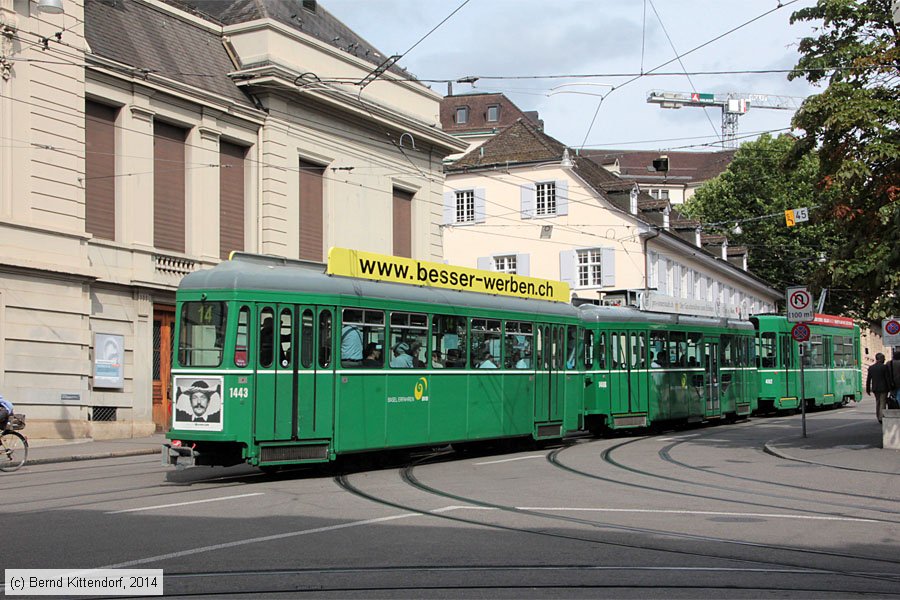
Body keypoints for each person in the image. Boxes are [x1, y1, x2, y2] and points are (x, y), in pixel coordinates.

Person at [866, 352, 891, 423]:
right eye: (883, 358)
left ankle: (878, 416)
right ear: (881, 359)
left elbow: (868, 379)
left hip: (875, 388)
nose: (884, 359)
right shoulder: (884, 367)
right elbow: (887, 378)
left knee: (878, 402)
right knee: (883, 402)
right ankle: (881, 417)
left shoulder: (871, 368)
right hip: (884, 388)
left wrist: (868, 389)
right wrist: (890, 388)